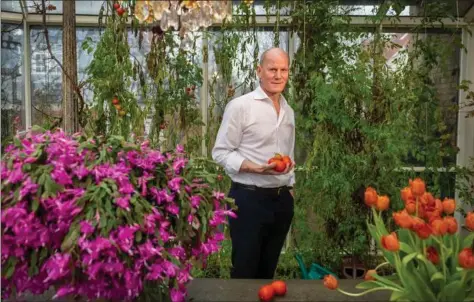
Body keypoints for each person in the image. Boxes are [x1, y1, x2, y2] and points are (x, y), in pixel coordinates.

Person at [212, 47, 295, 279]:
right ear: (259, 71)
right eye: (272, 69)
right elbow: (220, 152)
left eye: (283, 70)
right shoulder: (241, 106)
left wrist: (291, 187)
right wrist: (254, 167)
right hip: (248, 200)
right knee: (245, 271)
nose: (278, 75)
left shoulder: (288, 111)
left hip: (281, 201)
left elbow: (288, 152)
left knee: (268, 271)